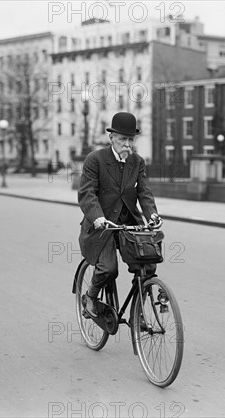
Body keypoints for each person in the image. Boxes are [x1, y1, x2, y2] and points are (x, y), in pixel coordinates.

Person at [78, 112, 160, 318]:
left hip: (129, 225)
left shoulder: (137, 162)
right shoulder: (94, 160)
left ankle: (138, 313)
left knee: (147, 265)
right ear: (111, 137)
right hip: (102, 226)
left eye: (130, 139)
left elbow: (144, 192)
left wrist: (152, 216)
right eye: (123, 138)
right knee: (108, 269)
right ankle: (90, 296)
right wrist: (97, 217)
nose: (127, 144)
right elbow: (87, 193)